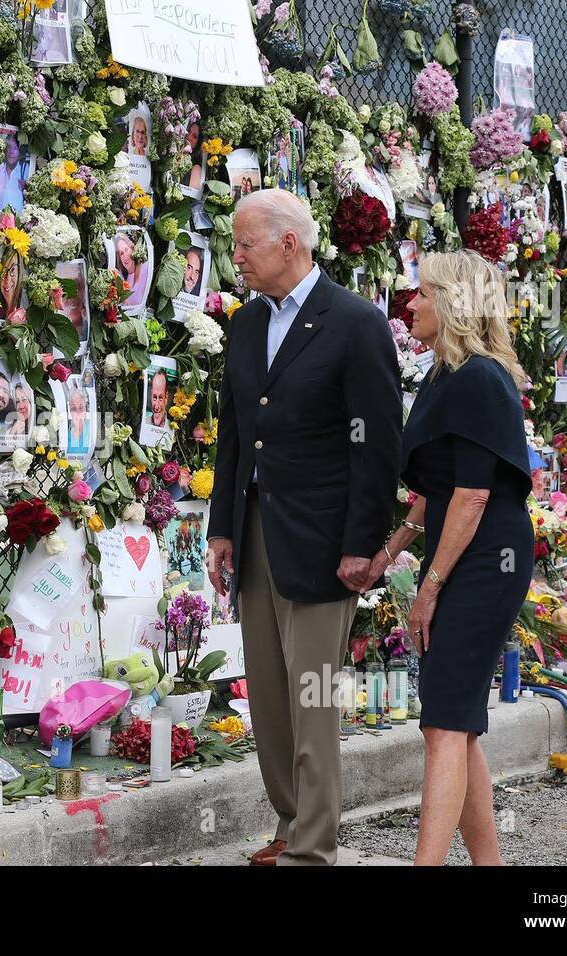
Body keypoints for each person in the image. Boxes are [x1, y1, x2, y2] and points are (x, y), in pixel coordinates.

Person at [206, 188, 402, 866]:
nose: (236, 258)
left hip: (323, 540)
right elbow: (235, 432)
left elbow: (375, 446)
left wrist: (363, 545)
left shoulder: (354, 323)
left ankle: (312, 850)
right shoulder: (246, 323)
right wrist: (221, 529)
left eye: (244, 244)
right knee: (268, 695)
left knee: (313, 696)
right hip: (257, 530)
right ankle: (290, 824)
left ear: (289, 244)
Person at [364, 250, 533, 866]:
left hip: (488, 557)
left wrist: (429, 585)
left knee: (443, 724)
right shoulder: (447, 376)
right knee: (454, 720)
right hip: (463, 548)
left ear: (453, 302)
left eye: (423, 294)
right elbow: (435, 491)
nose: (410, 304)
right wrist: (392, 551)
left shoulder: (480, 379)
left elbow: (473, 494)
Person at [0, 136, 29, 213]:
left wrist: (26, 186)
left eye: (15, 148)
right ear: (5, 150)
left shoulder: (25, 169)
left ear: (19, 152)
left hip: (19, 218)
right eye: (9, 147)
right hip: (0, 217)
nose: (11, 152)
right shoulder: (0, 168)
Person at [114, 232, 147, 312]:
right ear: (120, 260)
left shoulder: (145, 267)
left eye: (126, 249)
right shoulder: (127, 279)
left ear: (132, 249)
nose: (125, 256)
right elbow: (127, 307)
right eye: (121, 254)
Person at [66, 382, 93, 457]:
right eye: (74, 409)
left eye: (81, 408)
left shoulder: (92, 427)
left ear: (86, 408)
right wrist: (76, 429)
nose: (78, 412)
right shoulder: (65, 428)